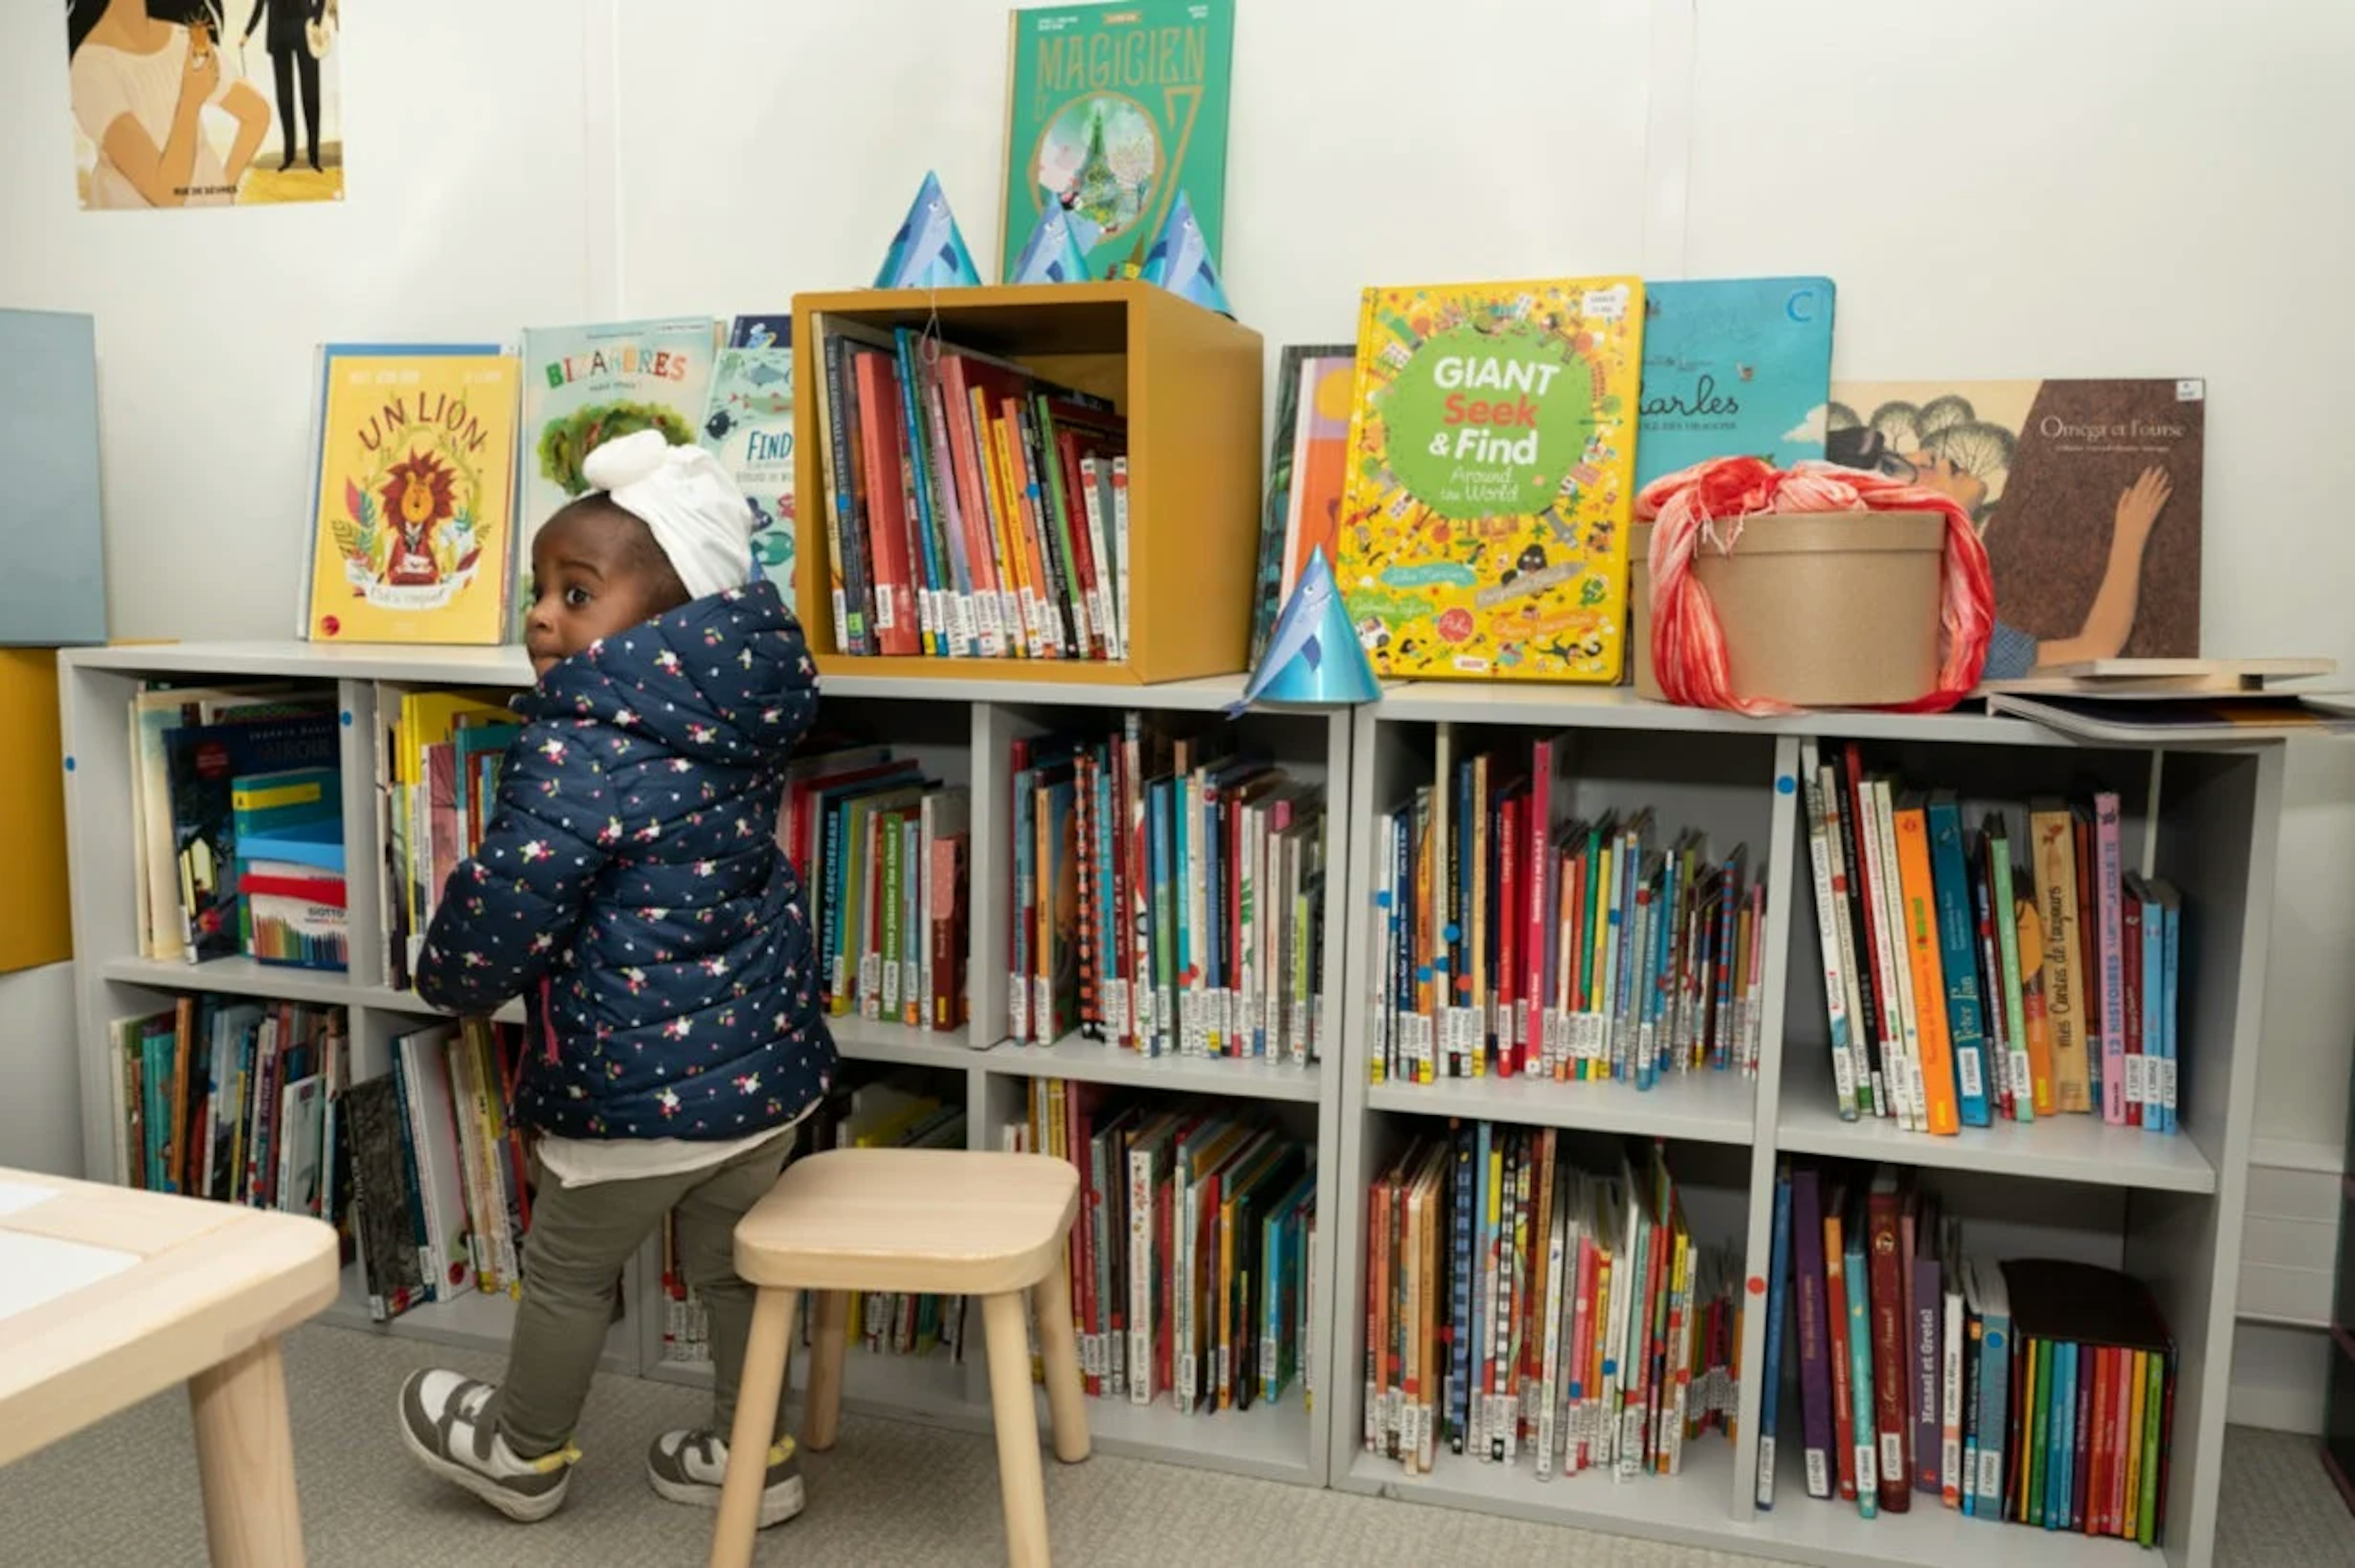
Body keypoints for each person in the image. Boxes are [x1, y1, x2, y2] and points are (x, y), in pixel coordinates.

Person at [397, 430, 835, 1531]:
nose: (543, 617)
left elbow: (512, 892)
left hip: (630, 1089)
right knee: (737, 1273)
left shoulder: (580, 743)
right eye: (541, 591)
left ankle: (522, 1451)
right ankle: (753, 1456)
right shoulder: (738, 716)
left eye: (577, 592)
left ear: (671, 611)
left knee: (567, 1275)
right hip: (763, 1078)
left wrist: (448, 978)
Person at [1823, 408, 2172, 681]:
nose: (1926, 456)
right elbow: (2096, 648)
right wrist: (2131, 534)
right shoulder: (1946, 625)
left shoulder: (1942, 600)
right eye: (1890, 466)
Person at [68, 0, 270, 208]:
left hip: (208, 225)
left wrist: (223, 191)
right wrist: (190, 101)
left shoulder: (183, 38)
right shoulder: (91, 67)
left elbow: (258, 114)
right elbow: (166, 195)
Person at [240, 0, 323, 172]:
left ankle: (314, 156)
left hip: (305, 29)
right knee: (285, 98)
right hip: (279, 33)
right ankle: (289, 155)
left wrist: (317, 18)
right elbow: (260, 5)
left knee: (311, 94)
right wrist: (247, 33)